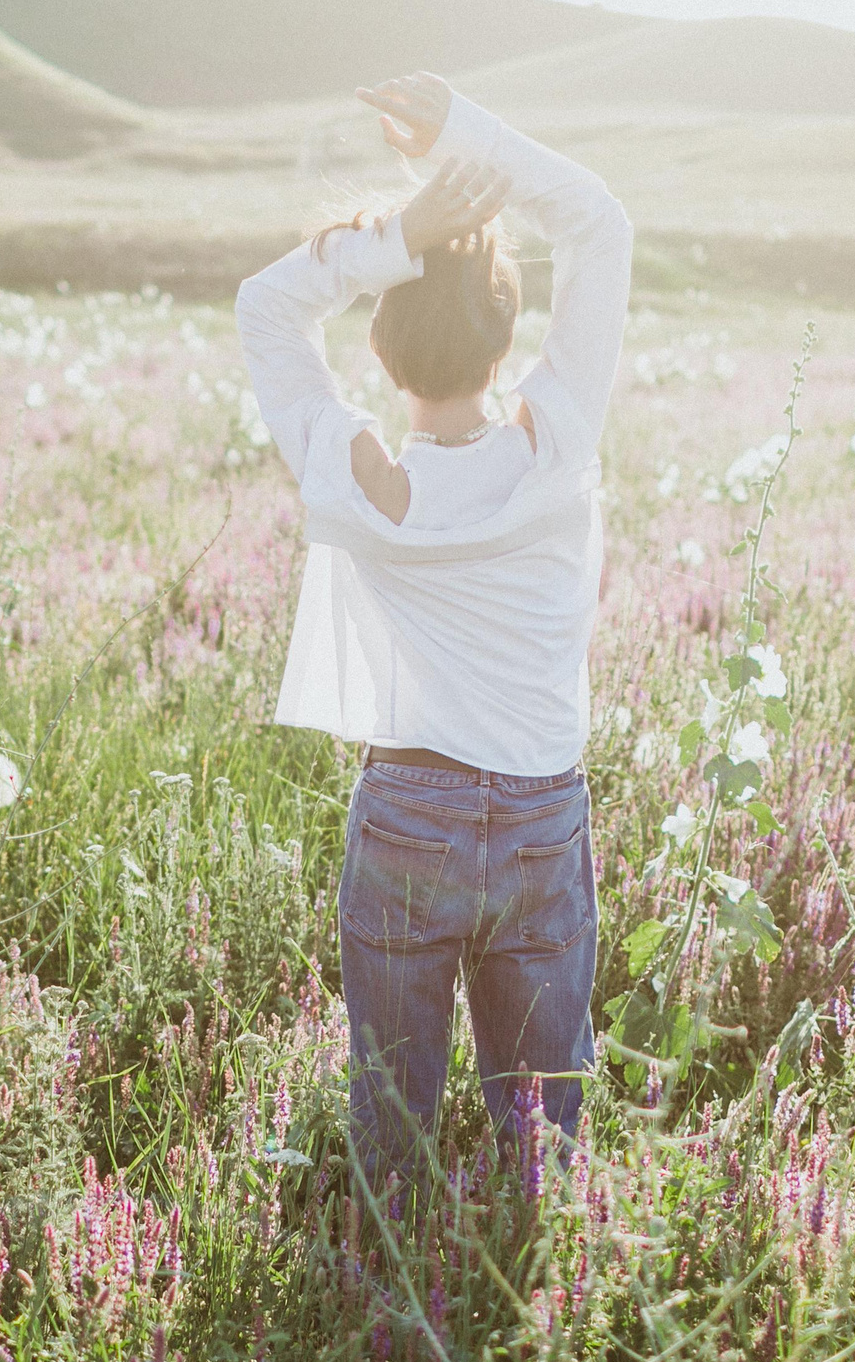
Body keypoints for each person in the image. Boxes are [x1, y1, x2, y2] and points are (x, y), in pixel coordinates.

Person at [235, 71, 633, 1192]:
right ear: (509, 331)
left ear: (380, 350)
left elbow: (263, 309)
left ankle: (380, 1284)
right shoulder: (554, 452)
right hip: (542, 808)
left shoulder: (349, 474)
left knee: (392, 1115)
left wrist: (400, 232)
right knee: (545, 1116)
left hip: (406, 806)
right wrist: (469, 139)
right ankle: (533, 1286)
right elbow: (600, 224)